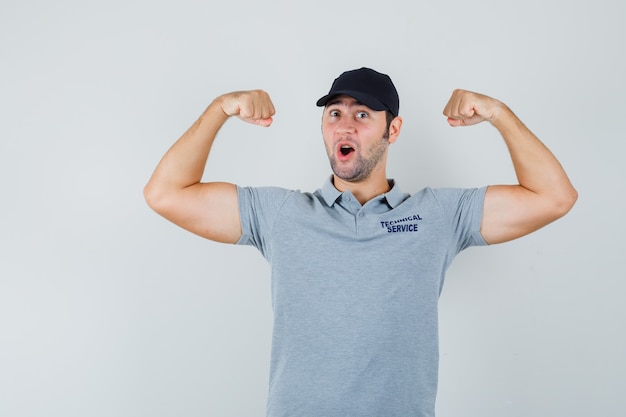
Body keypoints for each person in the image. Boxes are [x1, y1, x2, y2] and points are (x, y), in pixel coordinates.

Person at [144, 67, 577, 417]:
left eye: (363, 114)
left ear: (394, 130)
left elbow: (554, 197)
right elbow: (165, 194)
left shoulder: (439, 216)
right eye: (334, 113)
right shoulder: (280, 215)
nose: (344, 124)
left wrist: (498, 113)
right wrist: (220, 109)